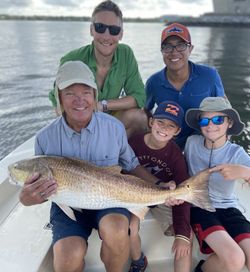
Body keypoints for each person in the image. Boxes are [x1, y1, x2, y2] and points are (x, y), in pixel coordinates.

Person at [19, 61, 174, 272]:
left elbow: (131, 164)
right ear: (59, 98)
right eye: (70, 93)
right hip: (66, 203)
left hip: (109, 197)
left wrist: (159, 185)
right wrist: (27, 198)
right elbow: (39, 188)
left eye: (86, 92)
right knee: (66, 260)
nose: (79, 100)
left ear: (94, 96)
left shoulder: (114, 127)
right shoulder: (45, 138)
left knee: (118, 229)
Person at [49, 0, 147, 138]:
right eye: (100, 27)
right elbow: (58, 103)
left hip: (109, 117)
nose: (106, 36)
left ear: (121, 34)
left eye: (114, 30)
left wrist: (102, 105)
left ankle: (117, 151)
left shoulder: (126, 54)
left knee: (140, 117)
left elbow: (139, 97)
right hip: (80, 122)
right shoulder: (72, 59)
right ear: (91, 30)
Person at [184, 97, 250, 272]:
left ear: (229, 123)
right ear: (199, 124)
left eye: (218, 119)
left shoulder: (237, 153)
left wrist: (244, 172)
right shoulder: (191, 143)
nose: (210, 125)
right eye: (205, 120)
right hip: (199, 207)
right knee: (235, 259)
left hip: (230, 208)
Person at [128, 101, 192, 272]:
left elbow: (182, 193)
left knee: (185, 234)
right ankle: (138, 261)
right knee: (129, 228)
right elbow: (122, 171)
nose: (164, 128)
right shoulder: (133, 143)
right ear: (151, 122)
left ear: (178, 131)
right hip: (136, 194)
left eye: (171, 126)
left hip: (164, 197)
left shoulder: (176, 156)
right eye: (160, 122)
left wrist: (182, 235)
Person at [145, 22, 225, 149]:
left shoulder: (210, 76)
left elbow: (224, 108)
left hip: (203, 142)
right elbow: (146, 111)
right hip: (168, 143)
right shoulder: (153, 82)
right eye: (168, 46)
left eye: (181, 45)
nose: (174, 52)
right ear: (162, 51)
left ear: (191, 49)